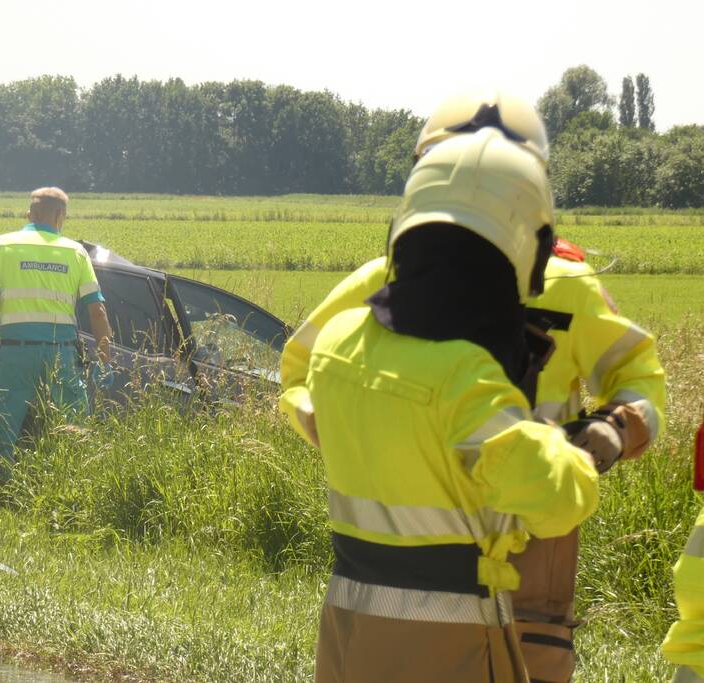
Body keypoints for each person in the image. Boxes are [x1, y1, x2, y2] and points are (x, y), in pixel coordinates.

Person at [280, 92, 665, 683]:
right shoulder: (381, 293)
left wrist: (617, 427)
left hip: (524, 563)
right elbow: (301, 378)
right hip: (500, 532)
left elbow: (638, 373)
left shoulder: (567, 288)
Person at [0, 187, 113, 461]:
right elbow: (98, 312)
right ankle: (74, 487)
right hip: (62, 354)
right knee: (75, 429)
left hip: (14, 352)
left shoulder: (2, 246)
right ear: (61, 215)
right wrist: (105, 360)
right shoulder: (76, 253)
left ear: (29, 213)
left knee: (1, 430)